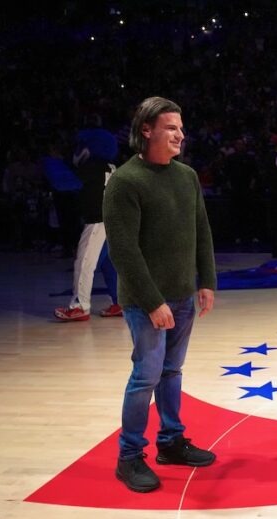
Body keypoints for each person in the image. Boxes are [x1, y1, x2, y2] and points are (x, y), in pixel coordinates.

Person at [104, 97, 218, 493]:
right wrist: (153, 302)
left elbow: (201, 230)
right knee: (146, 376)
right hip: (145, 301)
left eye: (181, 128)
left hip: (184, 295)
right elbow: (123, 251)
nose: (181, 134)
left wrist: (207, 280)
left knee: (171, 372)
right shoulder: (125, 182)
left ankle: (171, 443)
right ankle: (129, 456)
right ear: (147, 130)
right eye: (172, 127)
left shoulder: (186, 176)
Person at [54, 119, 121, 321]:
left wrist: (57, 162)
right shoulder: (111, 166)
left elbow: (65, 183)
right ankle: (121, 302)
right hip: (116, 221)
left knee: (84, 263)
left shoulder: (91, 166)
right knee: (110, 265)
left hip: (98, 221)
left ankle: (80, 306)